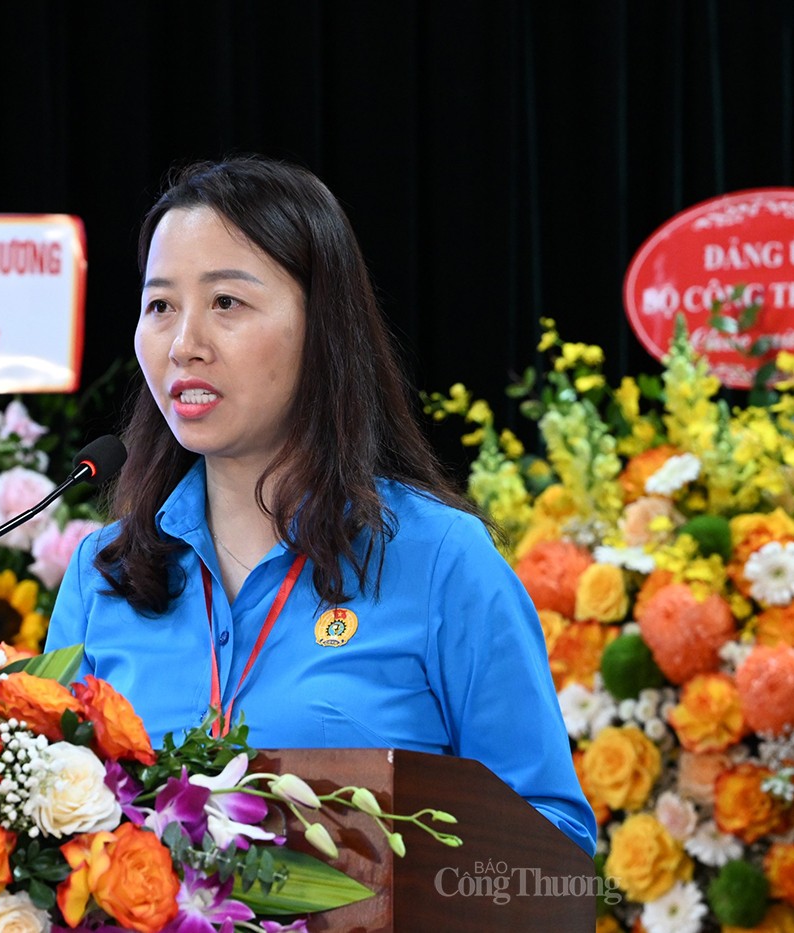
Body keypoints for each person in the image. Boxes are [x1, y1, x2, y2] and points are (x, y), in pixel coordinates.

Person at [45, 156, 595, 855]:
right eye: (160, 306)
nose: (185, 345)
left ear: (322, 325)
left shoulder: (440, 561)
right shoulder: (103, 574)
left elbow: (558, 845)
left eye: (226, 303)